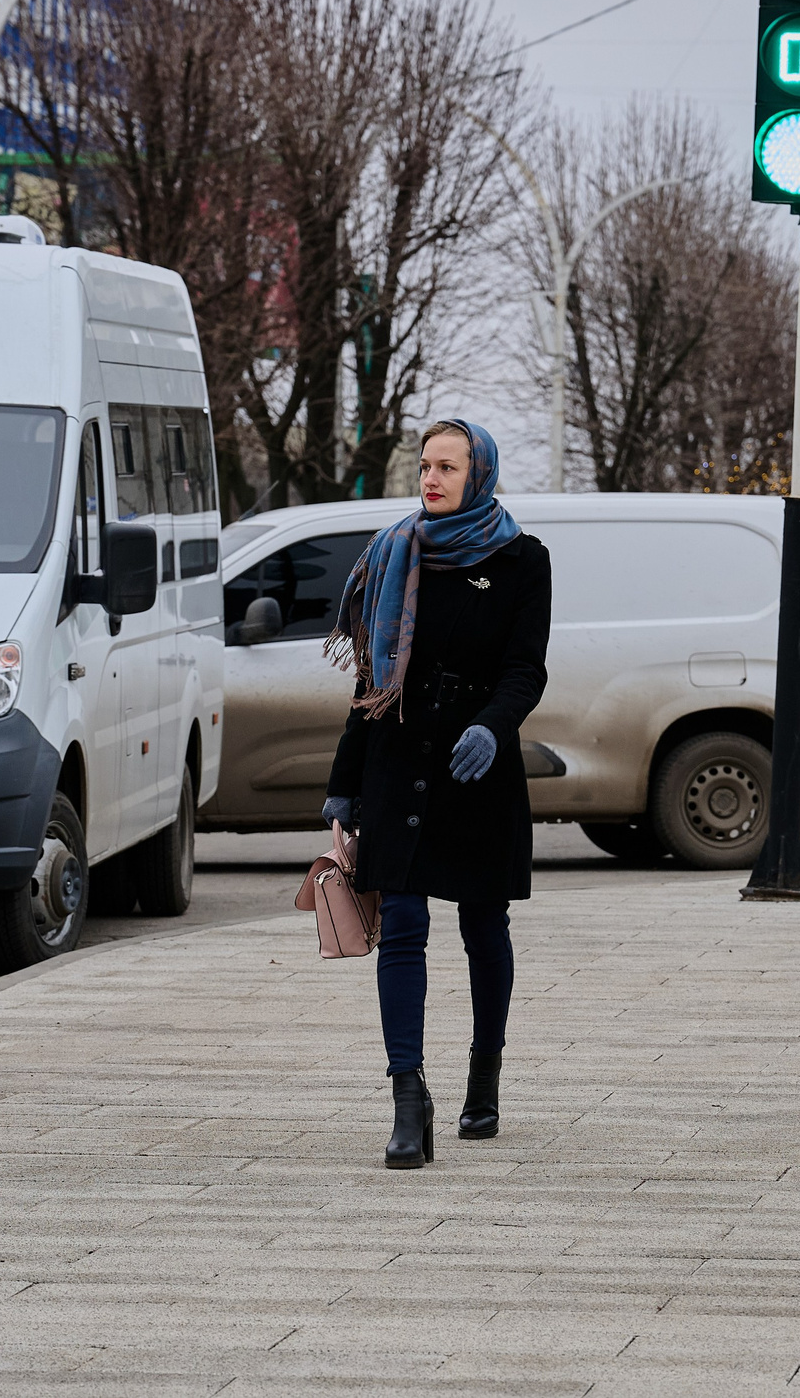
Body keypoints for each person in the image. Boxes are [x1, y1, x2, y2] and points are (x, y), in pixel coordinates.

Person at [323, 419, 551, 1169]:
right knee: (406, 923)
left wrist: (493, 725)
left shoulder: (523, 560)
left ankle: (485, 1070)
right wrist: (344, 788)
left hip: (476, 770)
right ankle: (406, 1096)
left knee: (484, 926)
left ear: (477, 473)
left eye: (447, 466)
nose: (431, 478)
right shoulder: (395, 551)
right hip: (400, 758)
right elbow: (371, 676)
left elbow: (526, 668)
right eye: (425, 465)